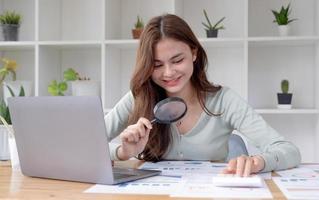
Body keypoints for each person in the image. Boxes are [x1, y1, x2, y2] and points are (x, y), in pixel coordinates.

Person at [105, 14, 301, 176]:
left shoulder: (223, 100)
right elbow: (83, 148)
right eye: (157, 65)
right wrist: (123, 153)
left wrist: (258, 162)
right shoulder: (139, 97)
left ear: (194, 53)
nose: (168, 73)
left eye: (177, 60)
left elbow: (288, 150)